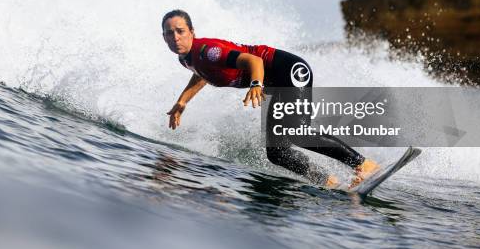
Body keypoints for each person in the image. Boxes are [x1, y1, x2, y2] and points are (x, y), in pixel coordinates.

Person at [161, 9, 379, 188]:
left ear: (192, 31)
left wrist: (256, 84)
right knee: (277, 152)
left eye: (180, 31)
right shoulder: (187, 58)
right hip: (276, 82)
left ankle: (364, 165)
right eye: (169, 33)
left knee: (297, 131)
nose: (175, 37)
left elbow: (254, 60)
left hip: (290, 71)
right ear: (164, 38)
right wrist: (182, 101)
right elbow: (203, 74)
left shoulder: (209, 51)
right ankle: (329, 181)